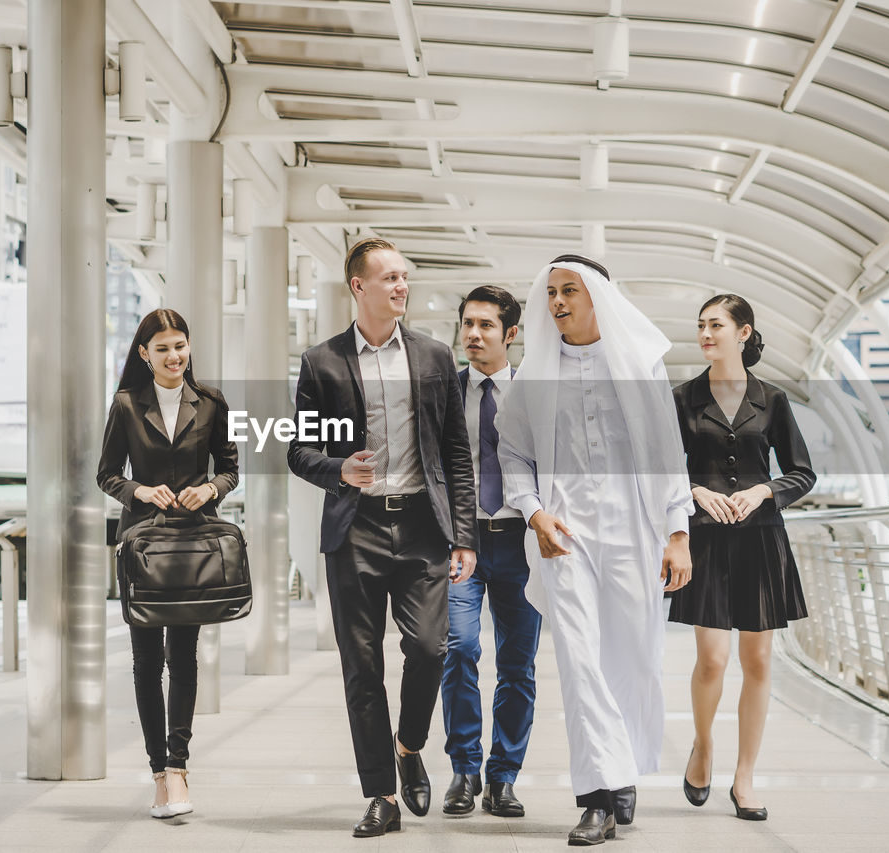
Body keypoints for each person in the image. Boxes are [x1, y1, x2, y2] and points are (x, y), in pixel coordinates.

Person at [496, 254, 694, 846]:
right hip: (566, 536)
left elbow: (667, 452)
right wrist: (534, 513)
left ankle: (623, 766)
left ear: (599, 297)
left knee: (632, 658)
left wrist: (678, 532)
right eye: (551, 291)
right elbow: (513, 455)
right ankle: (597, 798)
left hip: (634, 531)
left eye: (570, 291)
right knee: (580, 660)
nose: (557, 301)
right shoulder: (534, 374)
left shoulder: (640, 365)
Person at [288, 236, 479, 839]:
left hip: (423, 525)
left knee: (428, 649)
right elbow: (299, 451)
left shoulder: (433, 357)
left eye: (404, 277)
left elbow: (455, 451)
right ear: (358, 287)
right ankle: (380, 795)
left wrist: (464, 535)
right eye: (389, 278)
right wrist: (338, 469)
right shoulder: (322, 362)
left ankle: (409, 745)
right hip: (357, 529)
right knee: (361, 666)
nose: (401, 286)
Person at [668, 294, 815, 821]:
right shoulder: (682, 397)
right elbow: (658, 469)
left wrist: (764, 492)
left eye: (716, 326)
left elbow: (802, 471)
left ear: (743, 332)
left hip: (760, 540)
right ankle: (703, 746)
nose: (706, 334)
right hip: (705, 539)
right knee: (712, 659)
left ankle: (745, 776)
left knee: (757, 662)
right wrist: (692, 492)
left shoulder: (772, 399)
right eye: (701, 326)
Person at [96, 308, 239, 819]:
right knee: (146, 661)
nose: (174, 356)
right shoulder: (127, 405)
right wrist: (140, 490)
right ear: (143, 354)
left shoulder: (213, 402)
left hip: (193, 542)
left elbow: (230, 469)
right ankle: (158, 771)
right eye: (162, 348)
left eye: (180, 345)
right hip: (142, 543)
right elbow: (107, 474)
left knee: (183, 655)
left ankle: (178, 768)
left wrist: (209, 488)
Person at [440, 285, 541, 819]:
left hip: (522, 545)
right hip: (461, 544)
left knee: (517, 666)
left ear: (511, 333)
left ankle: (503, 777)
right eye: (468, 324)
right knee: (457, 649)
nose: (474, 335)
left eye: (486, 325)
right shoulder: (444, 394)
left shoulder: (534, 396)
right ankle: (464, 768)